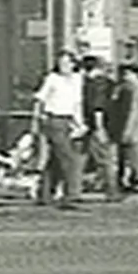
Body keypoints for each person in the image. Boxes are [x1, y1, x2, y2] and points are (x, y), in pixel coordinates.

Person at [32, 49, 85, 207]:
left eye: (67, 63)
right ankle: (71, 194)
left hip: (69, 121)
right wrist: (37, 119)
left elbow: (76, 104)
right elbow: (40, 99)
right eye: (61, 63)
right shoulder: (53, 79)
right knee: (69, 158)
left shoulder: (77, 80)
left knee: (55, 159)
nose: (64, 66)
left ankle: (45, 193)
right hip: (54, 119)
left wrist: (80, 124)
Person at [79, 55, 119, 201]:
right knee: (103, 159)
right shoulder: (103, 83)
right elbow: (99, 107)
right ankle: (111, 191)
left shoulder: (92, 84)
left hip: (89, 125)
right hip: (95, 125)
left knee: (88, 158)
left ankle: (110, 190)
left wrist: (98, 126)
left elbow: (97, 107)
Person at [111, 61, 138, 194]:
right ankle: (131, 179)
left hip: (131, 127)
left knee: (132, 155)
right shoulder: (137, 86)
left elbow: (132, 110)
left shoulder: (129, 87)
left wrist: (127, 129)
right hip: (136, 126)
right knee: (129, 155)